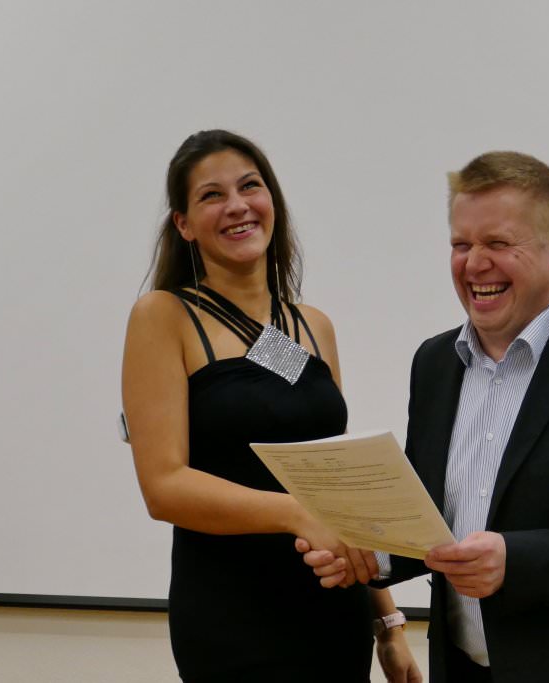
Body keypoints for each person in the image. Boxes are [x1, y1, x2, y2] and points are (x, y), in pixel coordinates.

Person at [301, 151, 549, 682]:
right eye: (461, 245)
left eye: (497, 243)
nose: (474, 264)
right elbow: (436, 521)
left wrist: (518, 561)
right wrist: (372, 553)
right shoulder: (435, 363)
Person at [122, 130, 421, 682]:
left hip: (333, 610)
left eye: (249, 186)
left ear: (272, 202)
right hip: (232, 617)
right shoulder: (163, 316)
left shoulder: (313, 326)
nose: (237, 205)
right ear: (184, 224)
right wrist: (295, 513)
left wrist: (389, 624)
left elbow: (336, 486)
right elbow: (163, 487)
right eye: (212, 195)